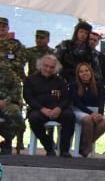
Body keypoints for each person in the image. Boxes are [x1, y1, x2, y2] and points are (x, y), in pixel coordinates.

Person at [25, 54, 76, 158]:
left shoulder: (60, 81)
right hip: (39, 110)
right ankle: (49, 147)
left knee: (69, 116)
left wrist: (59, 108)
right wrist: (42, 109)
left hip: (57, 110)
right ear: (40, 65)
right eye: (46, 66)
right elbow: (28, 97)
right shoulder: (30, 80)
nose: (48, 69)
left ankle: (64, 150)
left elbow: (66, 98)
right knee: (33, 119)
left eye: (52, 67)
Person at [0, 17, 28, 155]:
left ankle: (7, 141)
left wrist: (5, 101)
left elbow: (21, 61)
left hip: (7, 98)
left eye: (3, 26)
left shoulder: (15, 45)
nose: (1, 28)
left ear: (8, 28)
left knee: (14, 113)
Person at [70, 61, 105, 157]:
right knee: (88, 120)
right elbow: (77, 103)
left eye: (86, 70)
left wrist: (99, 114)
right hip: (79, 110)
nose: (84, 73)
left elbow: (101, 103)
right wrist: (91, 113)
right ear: (78, 74)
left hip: (95, 112)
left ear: (91, 72)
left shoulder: (99, 86)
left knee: (104, 122)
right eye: (81, 71)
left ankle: (84, 146)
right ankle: (87, 148)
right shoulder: (73, 86)